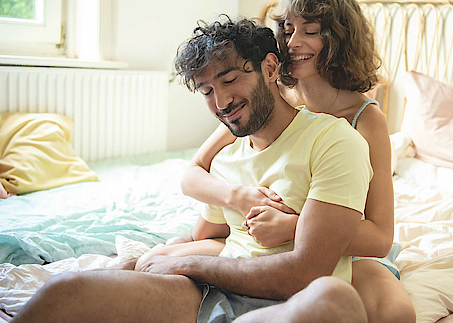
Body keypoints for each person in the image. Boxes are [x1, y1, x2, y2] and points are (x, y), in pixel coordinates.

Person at [11, 17, 374, 323]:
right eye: (206, 91)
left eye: (230, 80)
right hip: (208, 297)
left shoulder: (333, 141)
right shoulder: (226, 159)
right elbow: (210, 235)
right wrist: (155, 259)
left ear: (269, 68)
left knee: (334, 298)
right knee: (64, 291)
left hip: (288, 305)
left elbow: (306, 271)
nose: (221, 103)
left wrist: (194, 266)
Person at [138, 0, 416, 323]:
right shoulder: (268, 99)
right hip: (255, 236)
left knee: (396, 315)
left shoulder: (365, 119)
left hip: (348, 248)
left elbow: (379, 237)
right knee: (154, 262)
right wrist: (240, 197)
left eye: (310, 31)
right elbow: (195, 171)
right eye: (286, 30)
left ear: (339, 40)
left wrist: (294, 227)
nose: (292, 42)